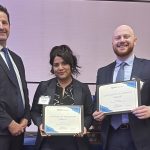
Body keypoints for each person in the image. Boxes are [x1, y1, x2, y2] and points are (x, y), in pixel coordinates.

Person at [93, 25, 150, 150]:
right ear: (113, 43)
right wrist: (97, 114)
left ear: (135, 40)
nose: (122, 40)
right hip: (111, 136)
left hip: (142, 138)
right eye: (117, 38)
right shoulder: (102, 72)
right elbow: (97, 105)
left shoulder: (148, 67)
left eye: (126, 36)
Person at [31, 45, 93, 150]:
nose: (60, 68)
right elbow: (34, 112)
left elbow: (89, 114)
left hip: (76, 143)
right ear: (52, 67)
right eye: (56, 65)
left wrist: (85, 126)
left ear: (71, 64)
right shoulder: (43, 87)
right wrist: (40, 124)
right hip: (48, 143)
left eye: (64, 63)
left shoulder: (83, 88)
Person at [0, 4, 31, 150]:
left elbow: (23, 92)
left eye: (4, 22)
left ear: (10, 26)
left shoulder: (17, 59)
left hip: (19, 132)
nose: (1, 27)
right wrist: (9, 123)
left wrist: (26, 117)